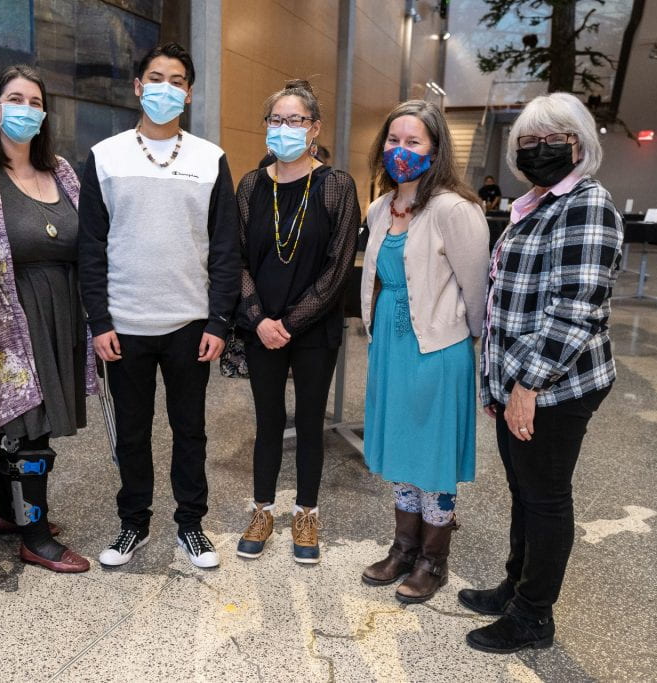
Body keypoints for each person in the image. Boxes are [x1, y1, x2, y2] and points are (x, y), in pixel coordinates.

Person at [462, 92, 622, 654]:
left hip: (559, 383)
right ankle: (516, 586)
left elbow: (577, 308)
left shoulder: (587, 203)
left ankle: (534, 616)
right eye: (527, 140)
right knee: (523, 491)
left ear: (581, 143)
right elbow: (505, 304)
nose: (539, 148)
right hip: (520, 381)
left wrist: (527, 386)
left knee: (546, 496)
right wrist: (496, 386)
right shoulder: (535, 202)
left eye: (554, 138)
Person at [78, 42, 239, 569]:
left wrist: (218, 319)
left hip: (190, 324)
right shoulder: (105, 156)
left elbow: (224, 248)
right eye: (155, 77)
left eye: (176, 80)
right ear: (137, 86)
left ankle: (191, 525)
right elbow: (91, 247)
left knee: (190, 430)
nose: (164, 88)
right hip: (124, 325)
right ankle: (133, 524)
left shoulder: (210, 159)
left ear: (188, 93)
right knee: (132, 431)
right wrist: (98, 321)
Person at [0, 65, 95, 574]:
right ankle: (35, 534)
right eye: (15, 99)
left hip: (60, 309)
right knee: (25, 423)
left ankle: (8, 513)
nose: (26, 110)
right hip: (7, 312)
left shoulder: (59, 168)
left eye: (35, 102)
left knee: (24, 422)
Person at [359, 100, 489, 603]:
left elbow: (476, 291)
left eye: (413, 142)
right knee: (401, 451)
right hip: (390, 348)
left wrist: (470, 352)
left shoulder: (456, 210)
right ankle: (403, 548)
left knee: (431, 458)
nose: (401, 150)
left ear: (435, 149)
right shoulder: (379, 207)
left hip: (438, 348)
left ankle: (434, 560)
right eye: (394, 140)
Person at [233, 80, 359, 564]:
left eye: (296, 120)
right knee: (267, 422)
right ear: (266, 127)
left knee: (309, 423)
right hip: (260, 325)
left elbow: (338, 265)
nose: (285, 129)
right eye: (276, 120)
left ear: (315, 128)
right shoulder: (250, 185)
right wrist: (261, 319)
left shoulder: (336, 186)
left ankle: (306, 513)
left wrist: (293, 320)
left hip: (314, 327)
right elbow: (237, 259)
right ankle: (262, 509)